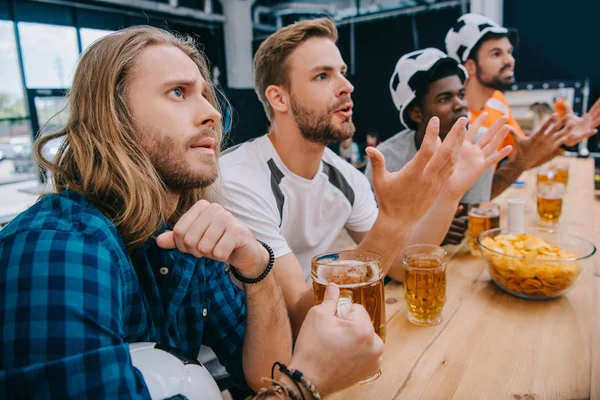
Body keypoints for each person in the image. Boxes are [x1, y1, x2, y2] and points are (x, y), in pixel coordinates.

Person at [214, 18, 510, 336]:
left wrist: (450, 192)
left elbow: (396, 266)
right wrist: (395, 218)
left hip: (319, 333)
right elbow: (300, 315)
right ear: (279, 99)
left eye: (342, 72)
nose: (347, 86)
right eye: (323, 75)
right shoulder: (238, 180)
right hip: (244, 369)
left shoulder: (344, 177)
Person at [365, 48, 512, 245]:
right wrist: (428, 228)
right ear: (417, 113)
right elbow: (371, 228)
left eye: (461, 94)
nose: (459, 104)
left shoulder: (478, 145)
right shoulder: (385, 159)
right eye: (444, 99)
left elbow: (469, 214)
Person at [445, 13, 599, 198]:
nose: (510, 60)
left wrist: (564, 141)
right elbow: (464, 199)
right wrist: (523, 161)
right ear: (470, 66)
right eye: (496, 54)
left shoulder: (497, 100)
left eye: (509, 52)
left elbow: (524, 157)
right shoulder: (451, 119)